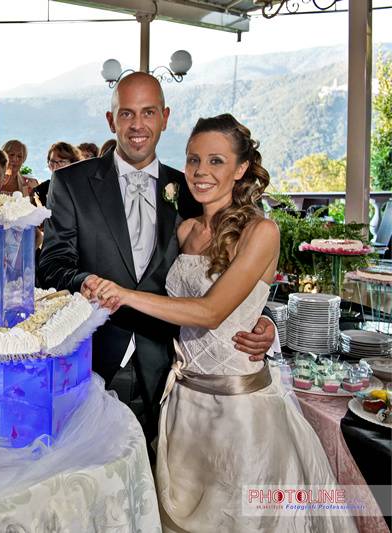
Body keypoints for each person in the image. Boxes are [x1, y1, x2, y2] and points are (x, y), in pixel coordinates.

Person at [85, 114, 354, 532]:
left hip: (241, 413)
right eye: (193, 160)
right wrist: (264, 320)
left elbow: (212, 311)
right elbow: (176, 303)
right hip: (183, 405)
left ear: (241, 168)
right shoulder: (185, 230)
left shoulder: (261, 231)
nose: (200, 172)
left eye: (216, 161)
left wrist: (122, 294)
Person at [38, 74, 276, 446]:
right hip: (95, 359)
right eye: (127, 113)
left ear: (164, 117)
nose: (137, 125)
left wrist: (264, 321)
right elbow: (50, 267)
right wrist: (84, 281)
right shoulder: (70, 183)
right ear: (110, 120)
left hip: (170, 366)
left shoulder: (193, 188)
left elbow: (234, 269)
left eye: (148, 112)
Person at [33, 141, 82, 207]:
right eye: (52, 161)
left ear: (73, 163)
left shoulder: (81, 188)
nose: (55, 167)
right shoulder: (42, 189)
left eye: (61, 162)